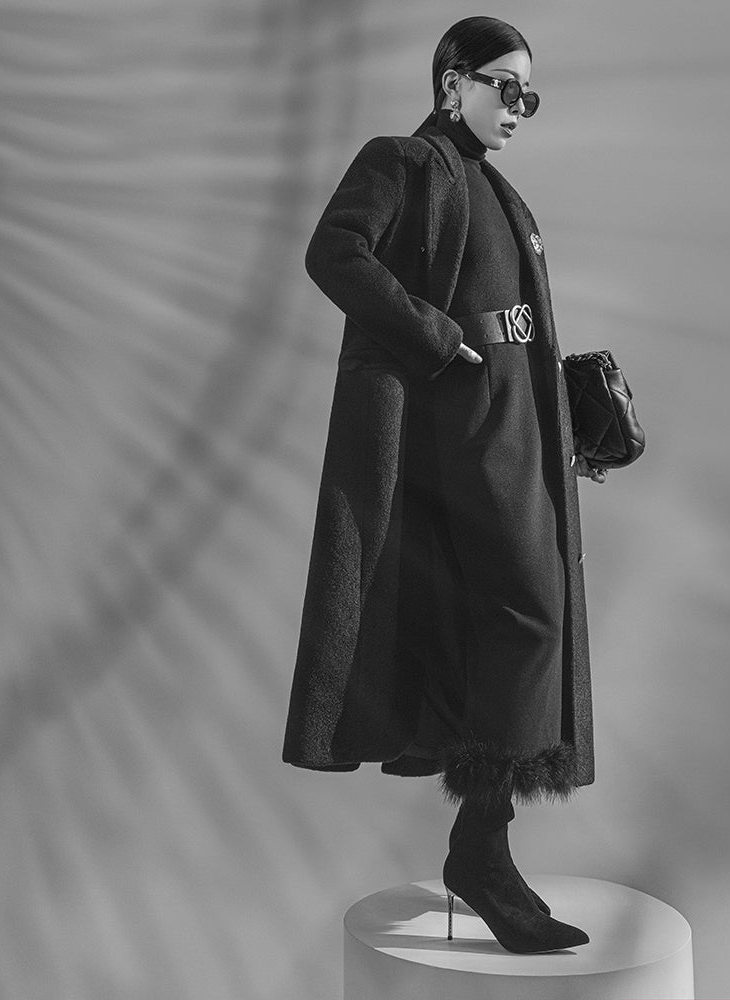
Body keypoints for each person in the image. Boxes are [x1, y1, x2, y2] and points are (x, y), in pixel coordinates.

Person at [282, 16, 604, 952]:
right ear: (452, 81)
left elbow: (517, 323)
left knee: (532, 620)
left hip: (521, 433)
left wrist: (569, 412)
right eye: (506, 86)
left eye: (530, 94)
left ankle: (484, 846)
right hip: (455, 437)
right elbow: (334, 251)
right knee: (526, 614)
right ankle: (481, 854)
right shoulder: (403, 161)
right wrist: (432, 335)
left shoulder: (503, 193)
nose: (520, 107)